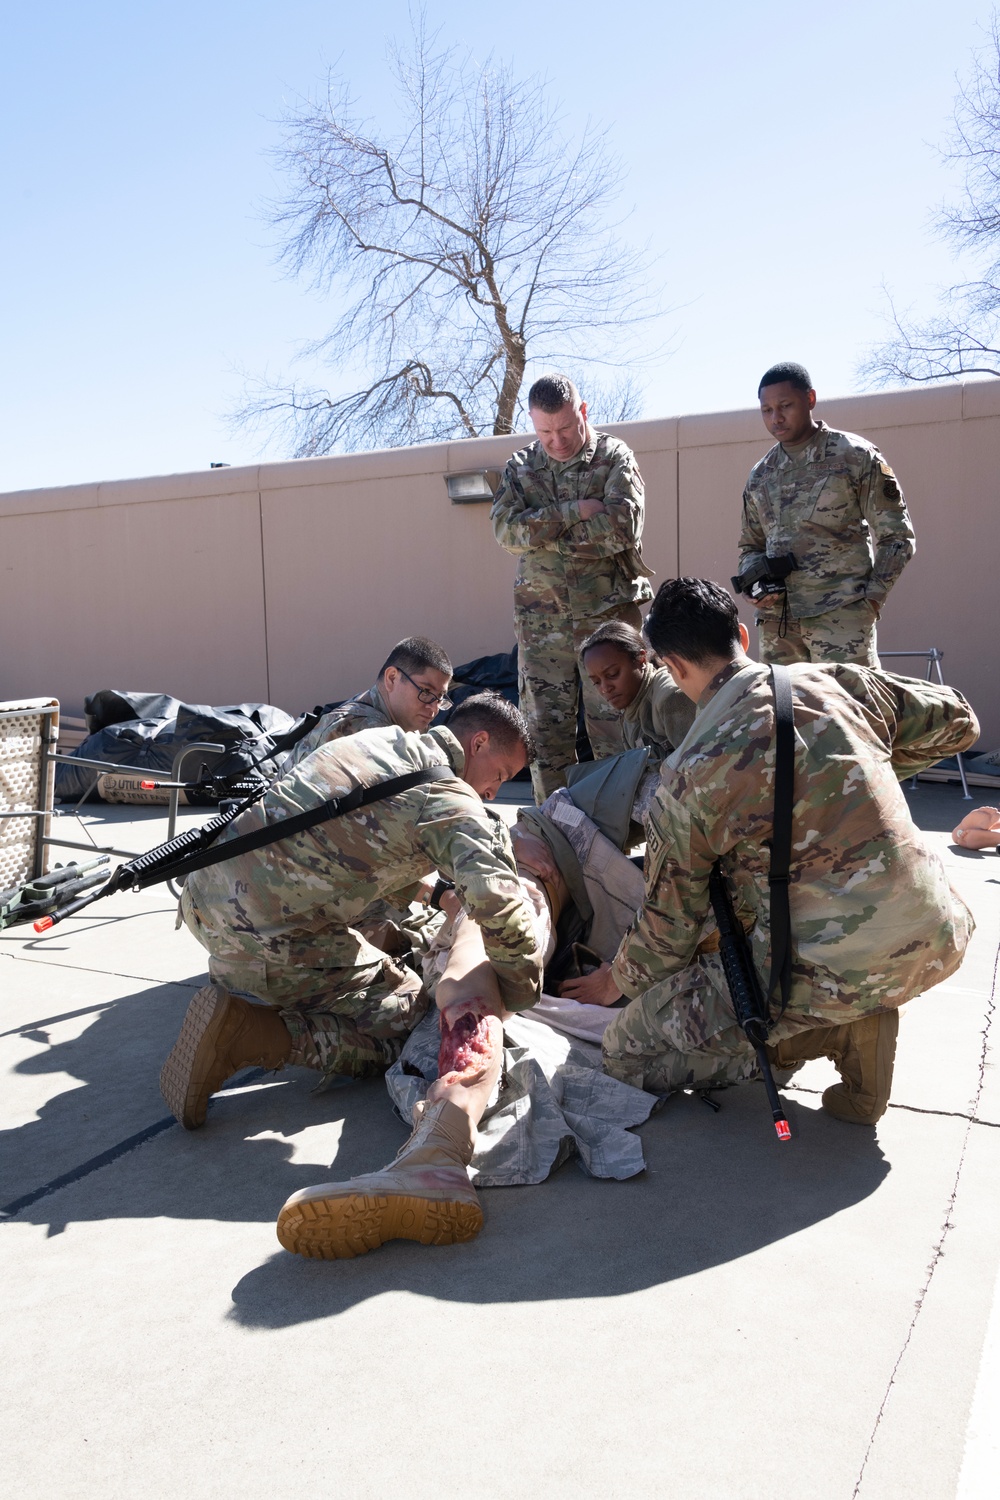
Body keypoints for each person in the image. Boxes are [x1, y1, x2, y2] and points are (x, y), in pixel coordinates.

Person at [580, 577, 978, 1126]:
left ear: (670, 666)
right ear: (741, 634)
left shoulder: (691, 775)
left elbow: (669, 930)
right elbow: (959, 721)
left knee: (625, 1052)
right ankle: (853, 1023)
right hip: (937, 937)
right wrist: (865, 777)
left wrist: (614, 981)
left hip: (823, 967)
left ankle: (842, 1029)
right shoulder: (837, 682)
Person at [159, 694, 543, 1130]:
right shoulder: (451, 801)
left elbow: (359, 845)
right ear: (478, 743)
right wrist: (519, 991)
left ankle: (276, 981)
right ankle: (249, 1034)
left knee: (390, 942)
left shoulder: (380, 741)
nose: (494, 790)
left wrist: (436, 897)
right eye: (500, 774)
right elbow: (501, 906)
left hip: (204, 898)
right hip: (260, 935)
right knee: (407, 1022)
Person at [491, 373, 654, 804]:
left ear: (582, 412)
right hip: (542, 630)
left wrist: (542, 531)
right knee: (545, 740)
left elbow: (620, 529)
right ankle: (559, 833)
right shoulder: (520, 467)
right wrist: (574, 511)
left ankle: (626, 836)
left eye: (565, 428)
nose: (557, 441)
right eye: (545, 432)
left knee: (617, 733)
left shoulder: (614, 456)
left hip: (606, 624)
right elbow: (507, 533)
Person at [737, 362, 915, 667]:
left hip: (841, 619)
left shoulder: (854, 456)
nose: (776, 417)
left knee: (852, 710)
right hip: (778, 626)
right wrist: (755, 585)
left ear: (810, 399)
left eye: (785, 405)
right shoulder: (760, 474)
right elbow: (750, 547)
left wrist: (871, 600)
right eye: (766, 410)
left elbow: (897, 538)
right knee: (786, 712)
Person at [285, 636, 453, 769]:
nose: (434, 708)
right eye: (425, 691)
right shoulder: (357, 729)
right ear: (392, 678)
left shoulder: (408, 719)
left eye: (440, 697)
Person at [580, 620, 696, 766]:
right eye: (596, 682)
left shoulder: (671, 699)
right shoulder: (632, 705)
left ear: (641, 660)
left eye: (612, 674)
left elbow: (700, 769)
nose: (604, 688)